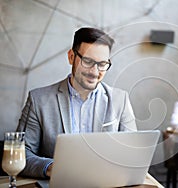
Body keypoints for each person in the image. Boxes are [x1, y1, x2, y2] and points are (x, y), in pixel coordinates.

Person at [16, 27, 137, 178]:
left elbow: (132, 155)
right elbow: (20, 155)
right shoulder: (38, 100)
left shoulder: (121, 100)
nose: (94, 71)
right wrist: (52, 168)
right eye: (87, 61)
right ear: (71, 57)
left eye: (102, 64)